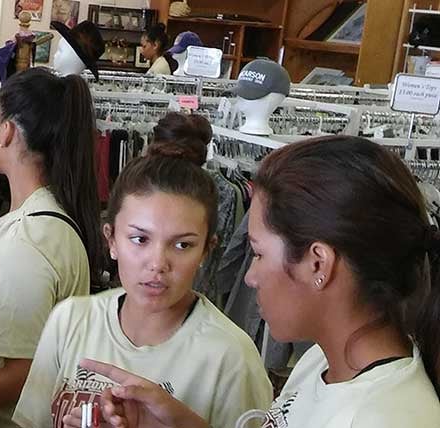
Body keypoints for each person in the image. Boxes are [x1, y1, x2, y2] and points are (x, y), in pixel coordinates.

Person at [80, 136, 440, 428]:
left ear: (318, 264)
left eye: (259, 254)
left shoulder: (383, 416)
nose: (250, 277)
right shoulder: (327, 361)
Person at [14, 143, 273, 428]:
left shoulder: (231, 357)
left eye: (182, 244)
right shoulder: (71, 319)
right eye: (140, 239)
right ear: (111, 240)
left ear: (206, 252)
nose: (158, 263)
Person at [0, 67, 105, 427]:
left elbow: (21, 373)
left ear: (7, 131)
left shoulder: (28, 242)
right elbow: (26, 330)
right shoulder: (37, 220)